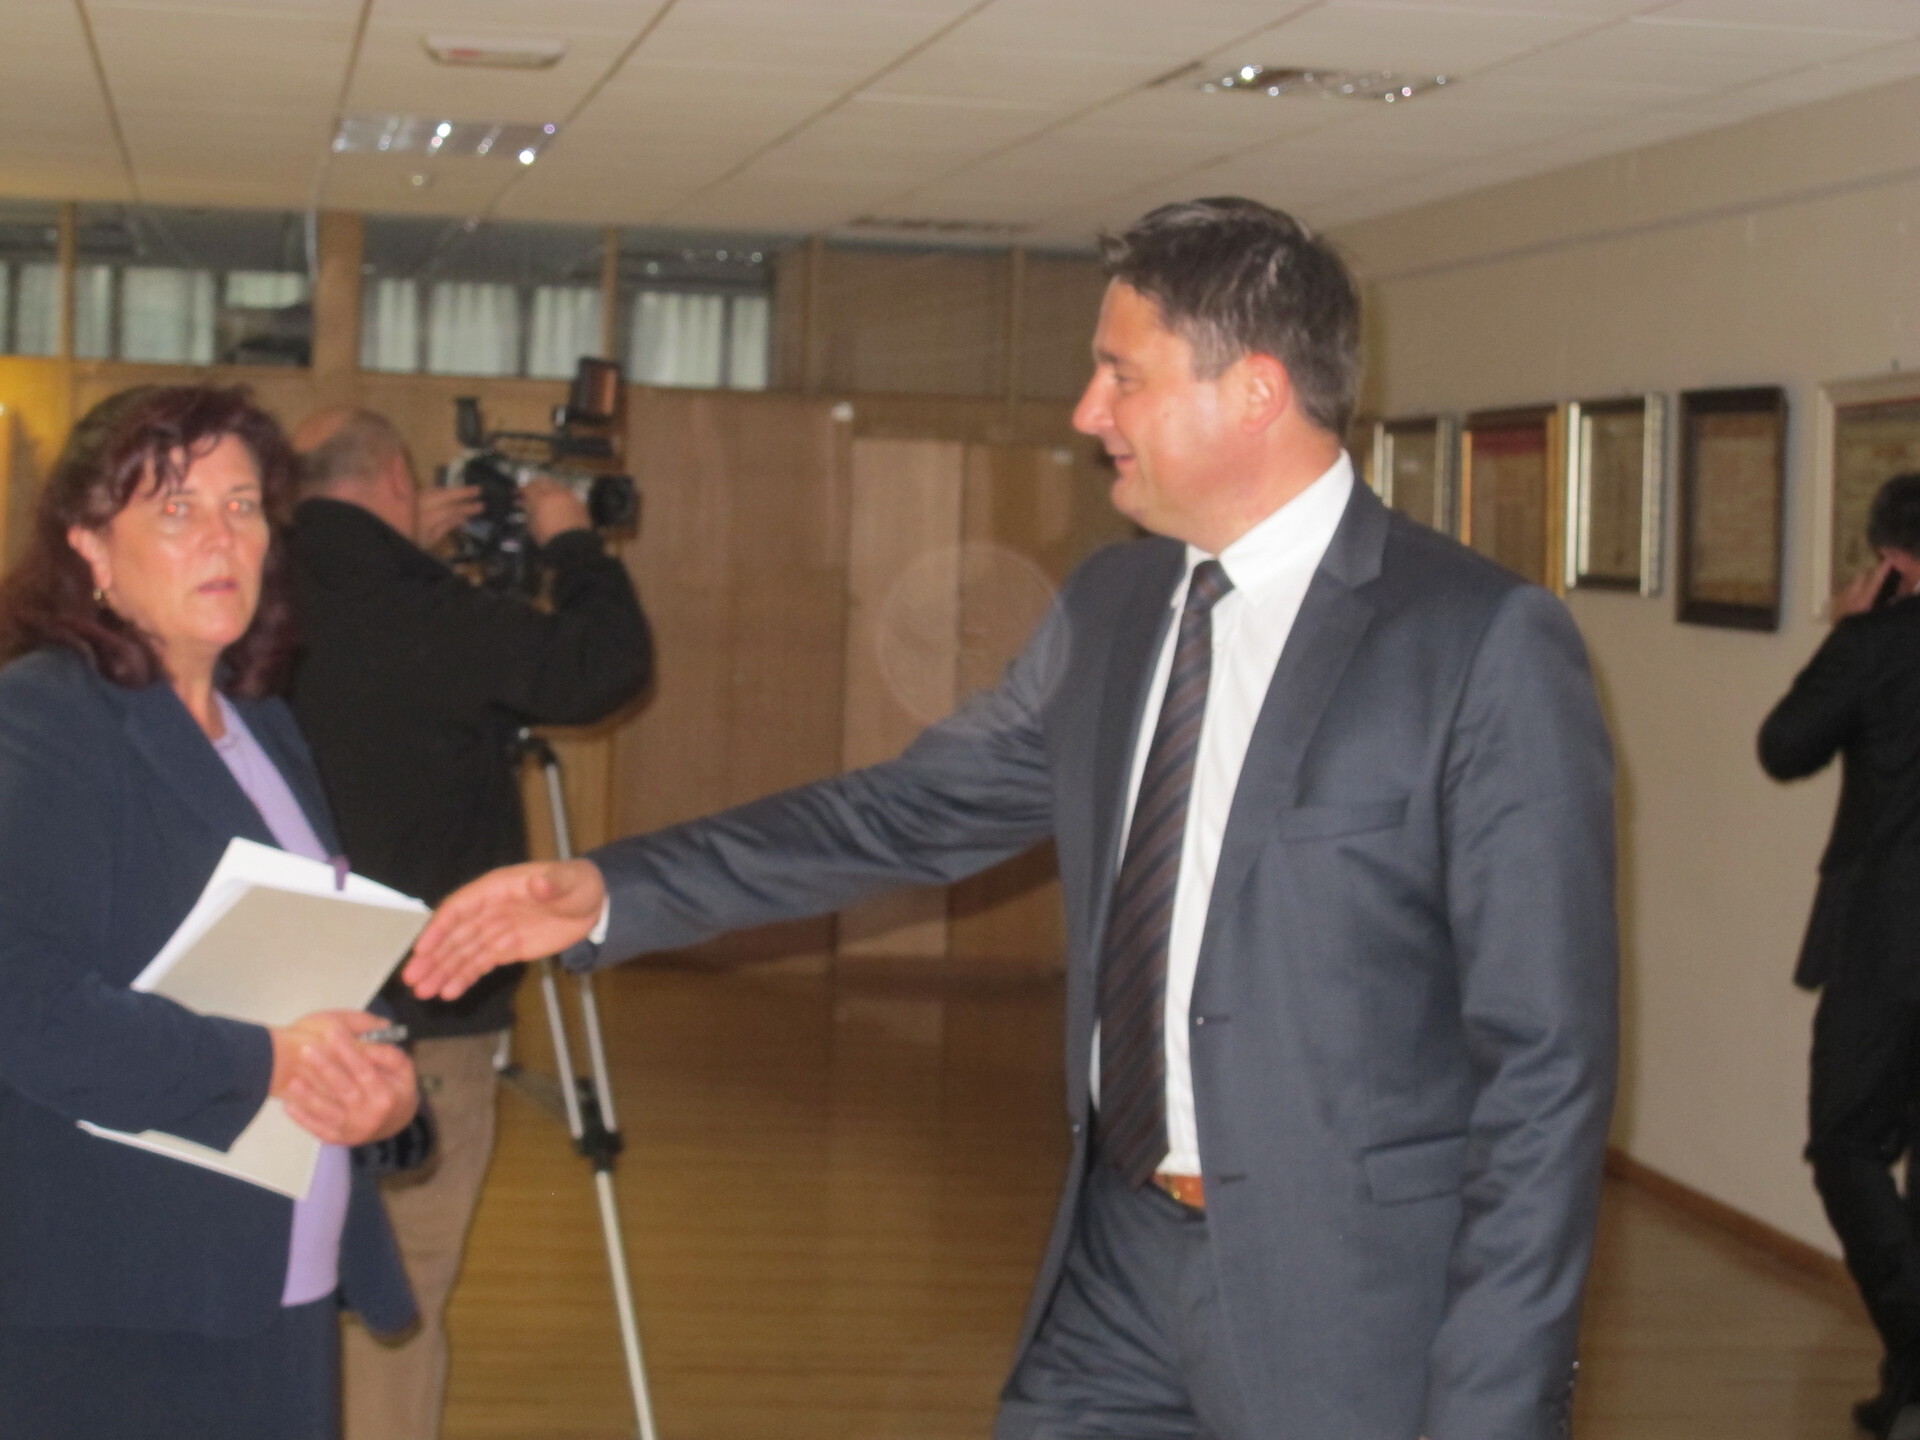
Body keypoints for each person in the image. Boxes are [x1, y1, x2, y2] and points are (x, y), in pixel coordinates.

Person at [406, 197, 1619, 1440]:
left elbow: (1543, 1065)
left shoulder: (1474, 642)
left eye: (1121, 376)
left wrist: (1492, 1412)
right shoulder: (1115, 606)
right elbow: (907, 813)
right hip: (1115, 1261)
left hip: (1346, 1305)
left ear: (1256, 391)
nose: (1089, 413)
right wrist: (612, 891)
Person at [0, 384, 420, 1440]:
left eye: (243, 506)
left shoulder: (262, 725)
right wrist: (267, 1061)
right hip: (117, 1297)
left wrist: (380, 1091)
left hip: (278, 1275)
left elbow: (314, 969)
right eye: (177, 510)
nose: (222, 537)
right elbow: (26, 1009)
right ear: (90, 545)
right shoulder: (42, 721)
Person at [286, 407, 652, 1440]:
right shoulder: (431, 612)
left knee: (278, 1276)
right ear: (399, 479)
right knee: (398, 1290)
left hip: (269, 1009)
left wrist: (414, 558)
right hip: (424, 1008)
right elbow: (601, 664)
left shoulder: (256, 594)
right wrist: (571, 542)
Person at [1759, 472, 1920, 1440]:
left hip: (1886, 946)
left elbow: (1785, 746)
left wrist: (1849, 631)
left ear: (1892, 559)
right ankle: (1909, 1387)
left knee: (1845, 1143)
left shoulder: (1875, 644)